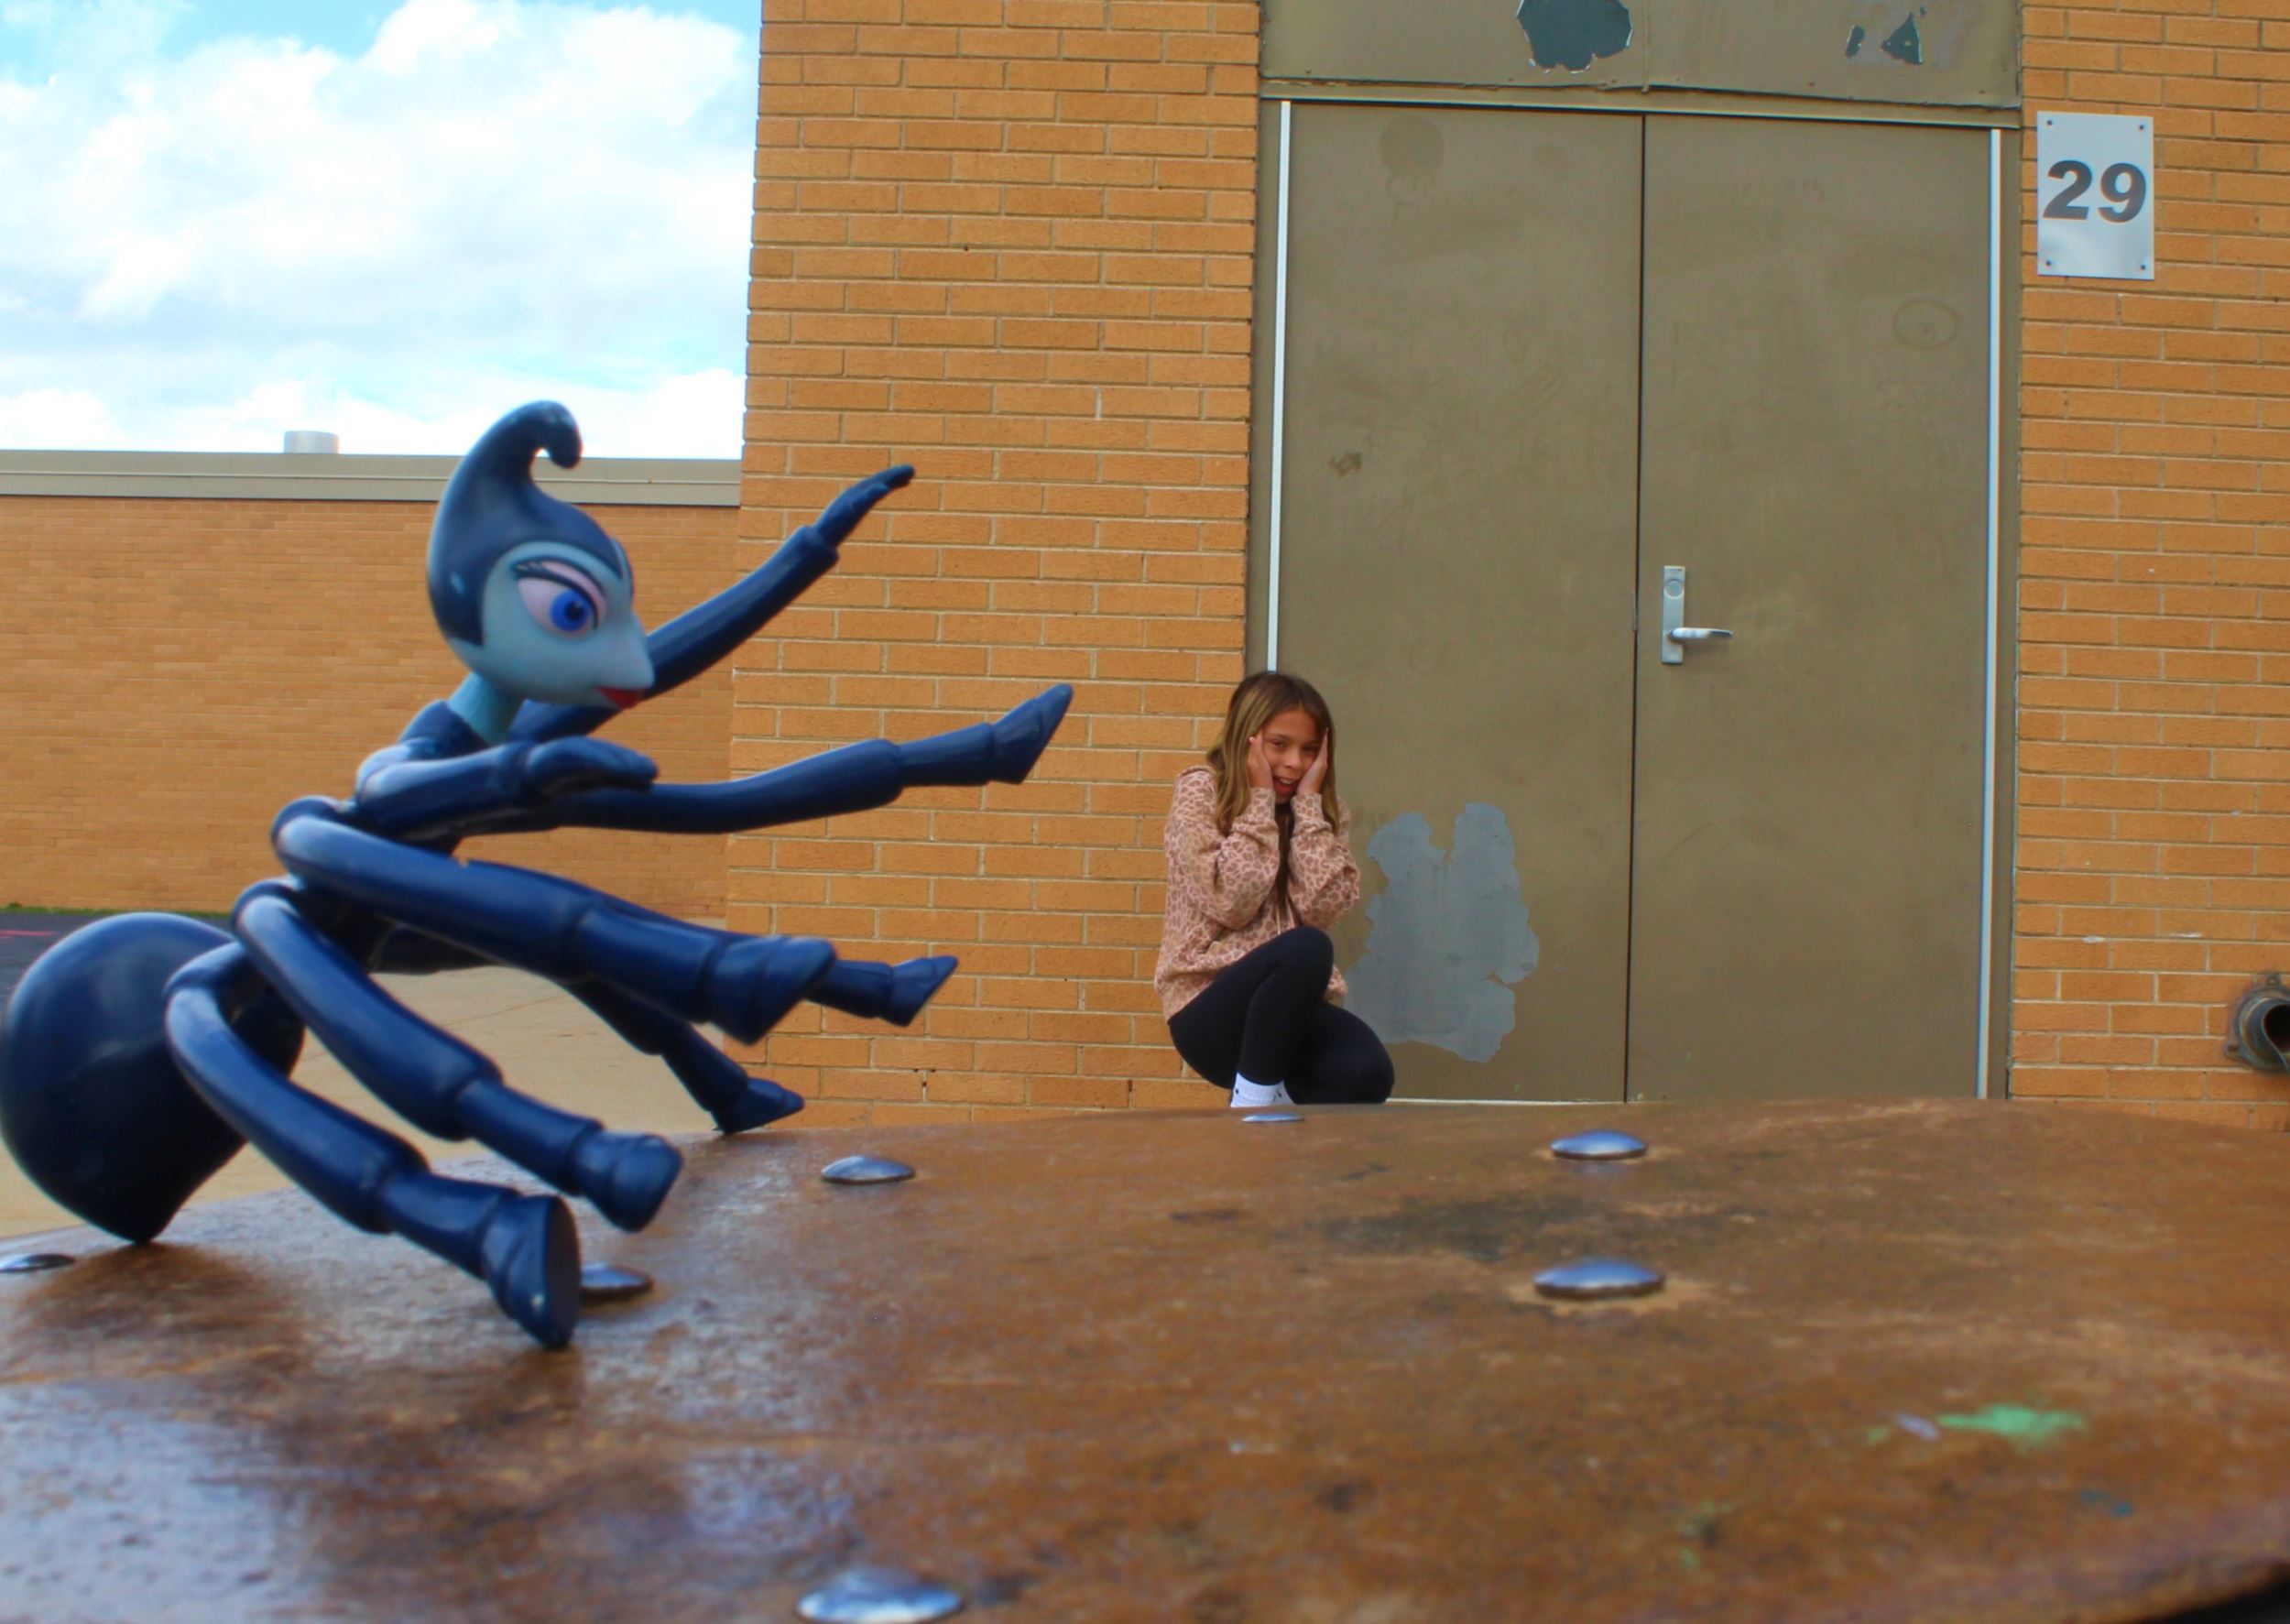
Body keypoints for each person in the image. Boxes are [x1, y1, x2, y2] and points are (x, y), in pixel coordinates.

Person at [1155, 671, 1395, 1108]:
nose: (1294, 763)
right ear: (1245, 738)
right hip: (1206, 1007)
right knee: (1306, 948)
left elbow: (1320, 907)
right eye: (1279, 745)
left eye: (1309, 750)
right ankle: (1251, 1105)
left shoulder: (1322, 813)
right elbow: (1231, 901)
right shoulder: (1201, 791)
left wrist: (1309, 810)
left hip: (1288, 1012)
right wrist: (1259, 801)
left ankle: (1269, 1104)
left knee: (1367, 1075)